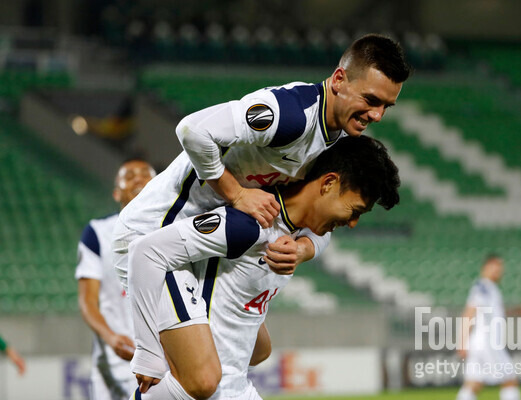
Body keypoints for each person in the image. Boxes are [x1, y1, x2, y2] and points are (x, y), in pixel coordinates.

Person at [113, 33, 411, 292]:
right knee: (173, 356)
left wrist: (302, 250)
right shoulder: (288, 114)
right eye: (371, 100)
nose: (377, 115)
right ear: (338, 80)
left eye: (386, 106)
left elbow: (328, 215)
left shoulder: (342, 143)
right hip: (155, 231)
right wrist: (237, 193)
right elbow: (192, 130)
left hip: (201, 249)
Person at [127, 135, 401, 400]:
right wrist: (148, 349)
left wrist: (305, 249)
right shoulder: (248, 225)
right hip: (206, 389)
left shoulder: (300, 234)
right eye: (354, 211)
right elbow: (146, 251)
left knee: (261, 350)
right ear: (329, 182)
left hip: (238, 387)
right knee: (203, 382)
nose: (352, 223)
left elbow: (321, 239)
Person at [76, 159, 156, 400]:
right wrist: (110, 337)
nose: (138, 178)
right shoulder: (97, 232)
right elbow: (87, 302)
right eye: (128, 175)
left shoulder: (175, 229)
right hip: (114, 362)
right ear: (116, 192)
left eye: (145, 173)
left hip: (162, 359)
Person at [456, 254, 521, 400]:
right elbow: (469, 313)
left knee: (473, 384)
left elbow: (495, 314)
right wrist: (461, 342)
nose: (499, 271)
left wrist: (515, 311)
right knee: (509, 379)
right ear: (485, 267)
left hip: (479, 344)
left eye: (501, 267)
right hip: (488, 343)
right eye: (496, 266)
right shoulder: (482, 287)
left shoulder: (490, 288)